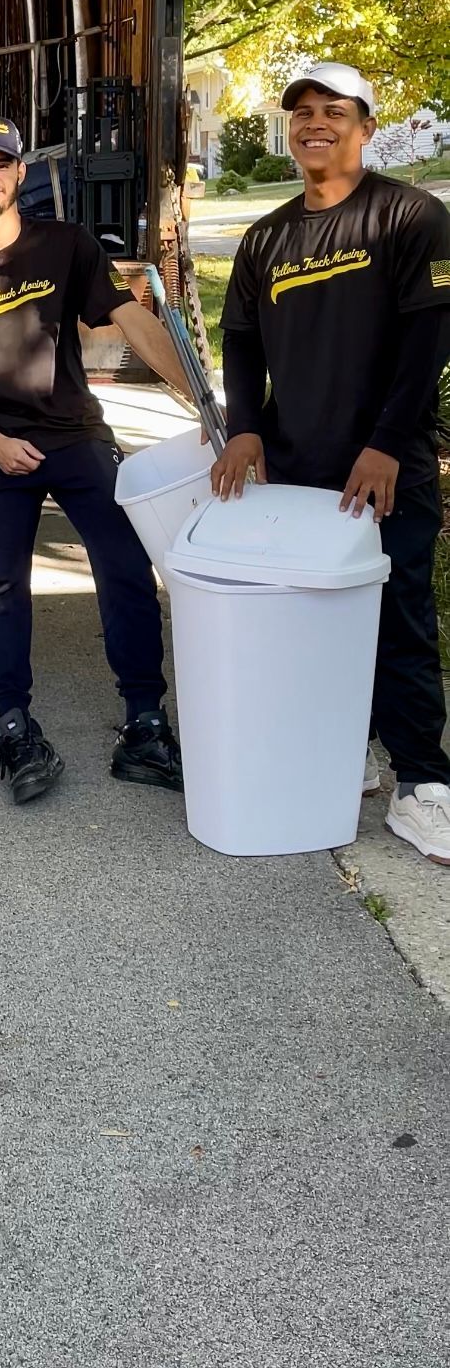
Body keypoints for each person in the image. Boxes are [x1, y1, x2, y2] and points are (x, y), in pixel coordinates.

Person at [211, 62, 450, 866]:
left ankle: (423, 785)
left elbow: (428, 343)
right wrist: (246, 428)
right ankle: (345, 756)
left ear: (366, 126)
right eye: (302, 112)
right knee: (311, 620)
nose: (314, 123)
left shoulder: (412, 216)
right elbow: (240, 338)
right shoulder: (268, 235)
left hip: (386, 466)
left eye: (333, 111)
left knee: (400, 619)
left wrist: (386, 442)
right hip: (299, 470)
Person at [0, 115, 194, 806]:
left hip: (75, 436)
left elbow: (130, 321)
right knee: (2, 585)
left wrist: (200, 399)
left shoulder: (66, 245)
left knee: (127, 568)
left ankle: (145, 721)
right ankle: (13, 722)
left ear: (18, 174)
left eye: (0, 164)